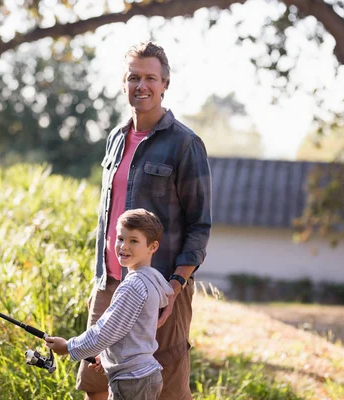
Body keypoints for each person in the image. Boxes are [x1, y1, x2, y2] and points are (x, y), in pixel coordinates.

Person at [77, 41, 212, 400]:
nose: (142, 86)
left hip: (159, 289)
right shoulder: (115, 140)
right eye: (134, 77)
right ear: (124, 83)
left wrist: (175, 287)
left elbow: (201, 225)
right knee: (95, 385)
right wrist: (101, 279)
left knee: (165, 389)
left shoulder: (185, 144)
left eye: (150, 77)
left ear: (165, 83)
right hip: (110, 284)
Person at [46, 208, 174, 400]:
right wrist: (106, 358)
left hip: (132, 381)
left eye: (134, 241)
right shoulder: (151, 280)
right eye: (120, 238)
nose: (124, 246)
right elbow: (130, 334)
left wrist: (68, 347)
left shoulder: (133, 285)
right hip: (143, 375)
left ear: (152, 247)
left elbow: (104, 332)